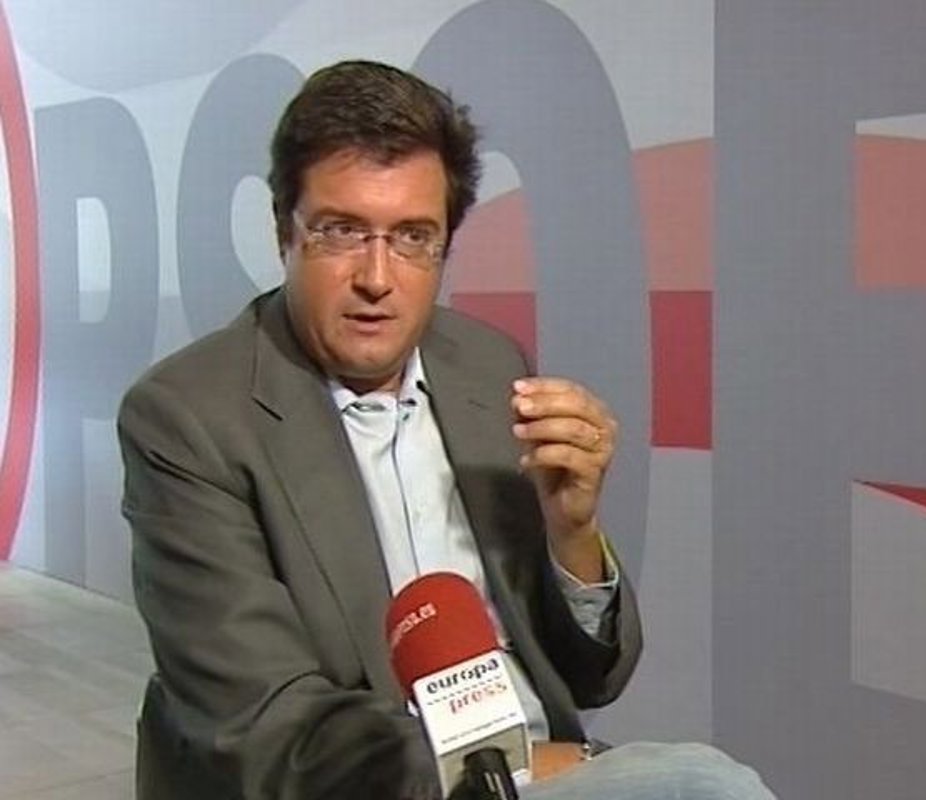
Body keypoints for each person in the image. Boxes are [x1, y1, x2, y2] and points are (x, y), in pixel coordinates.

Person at [118, 60, 775, 800]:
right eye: (342, 231)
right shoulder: (186, 417)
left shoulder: (489, 368)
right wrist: (508, 768)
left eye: (412, 237)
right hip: (378, 787)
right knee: (706, 784)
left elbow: (591, 678)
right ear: (284, 233)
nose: (377, 277)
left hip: (548, 761)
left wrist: (573, 535)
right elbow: (265, 727)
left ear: (444, 247)